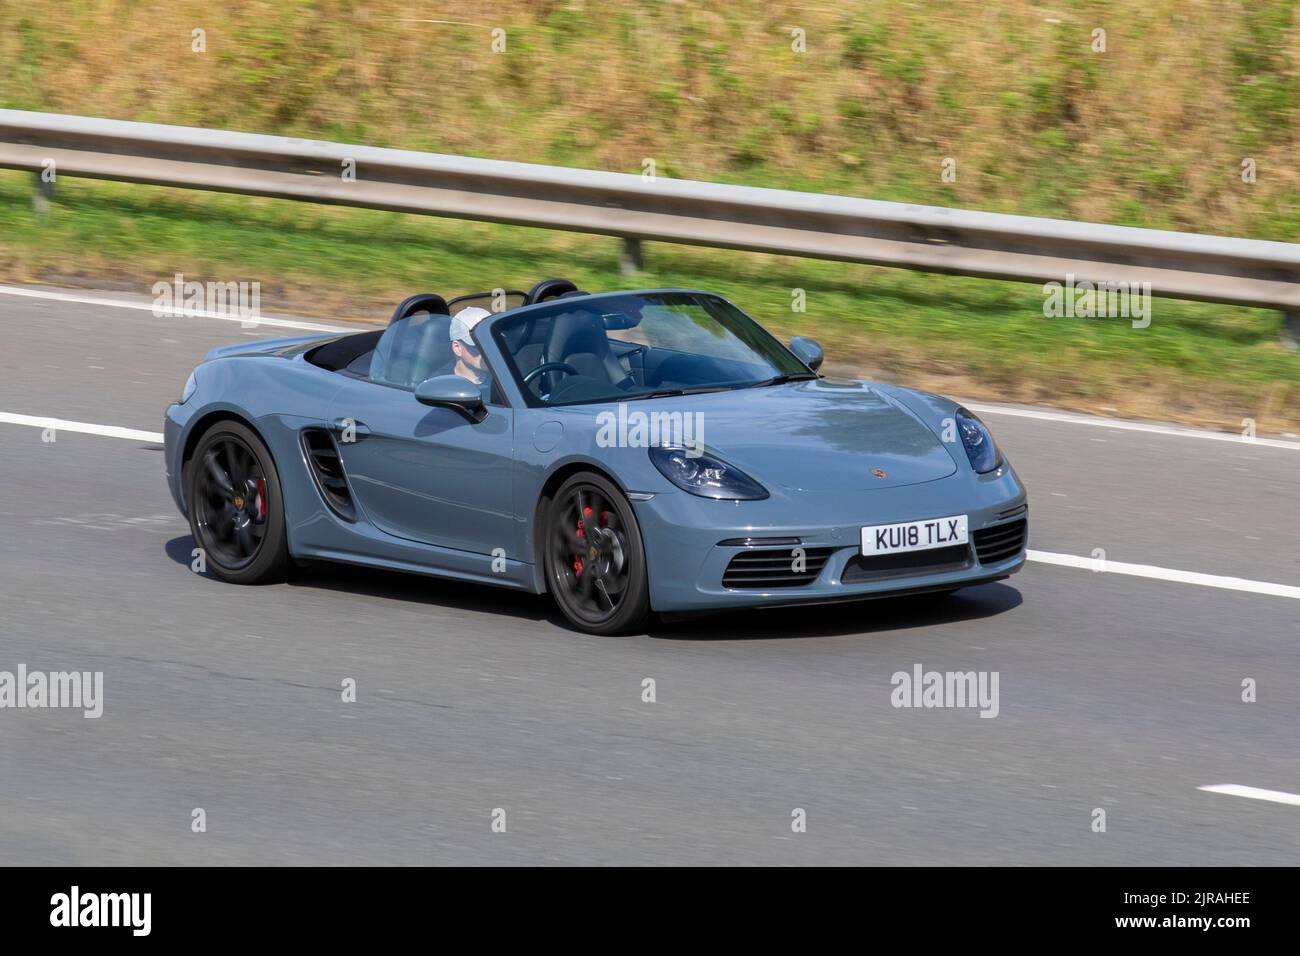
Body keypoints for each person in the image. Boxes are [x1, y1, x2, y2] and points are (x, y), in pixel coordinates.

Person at [444, 306, 492, 389]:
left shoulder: (504, 374)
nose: (485, 350)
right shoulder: (442, 385)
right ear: (457, 348)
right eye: (477, 345)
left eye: (489, 342)